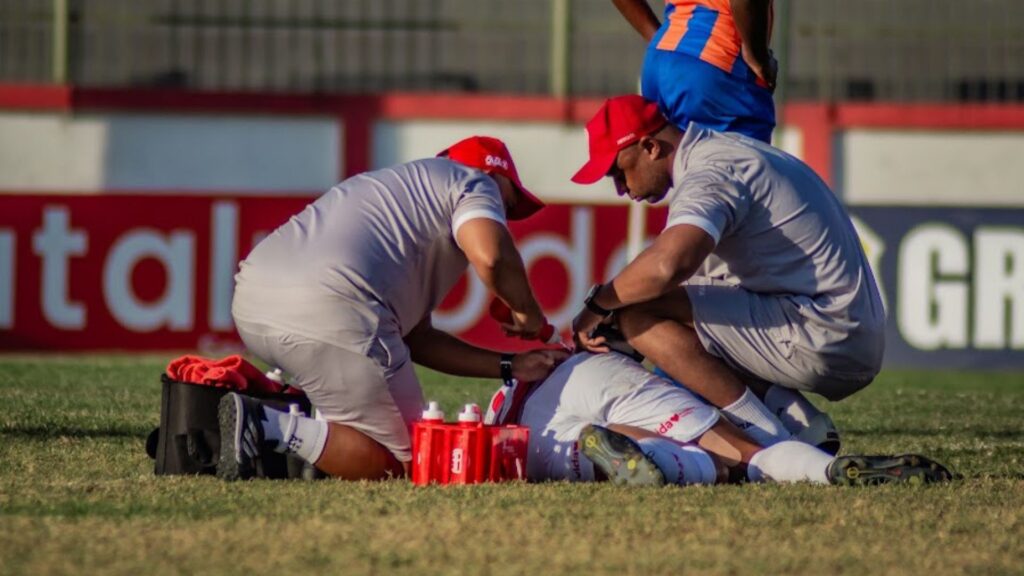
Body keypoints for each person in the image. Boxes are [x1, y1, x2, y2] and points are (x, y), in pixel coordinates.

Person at [218, 136, 570, 481]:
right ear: (495, 176)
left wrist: (510, 365)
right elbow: (492, 258)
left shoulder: (395, 192)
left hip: (251, 305)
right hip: (332, 312)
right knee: (406, 463)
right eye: (507, 206)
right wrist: (527, 312)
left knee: (360, 393)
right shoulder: (474, 181)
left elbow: (417, 340)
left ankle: (277, 429)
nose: (504, 218)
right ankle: (268, 425)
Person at [569, 95, 886, 451]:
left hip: (824, 333)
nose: (619, 188)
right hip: (842, 328)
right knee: (672, 307)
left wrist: (598, 304)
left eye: (618, 171)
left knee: (637, 313)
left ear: (650, 147)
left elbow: (665, 266)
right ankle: (799, 420)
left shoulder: (710, 173)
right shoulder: (727, 151)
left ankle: (769, 438)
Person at [488, 342, 952, 487]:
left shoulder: (498, 394)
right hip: (593, 372)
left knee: (606, 447)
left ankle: (643, 460)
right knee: (744, 458)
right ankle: (828, 471)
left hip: (523, 436)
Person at [611, 0, 776, 143]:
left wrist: (659, 38)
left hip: (661, 59)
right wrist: (758, 57)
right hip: (717, 67)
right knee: (740, 173)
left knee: (677, 171)